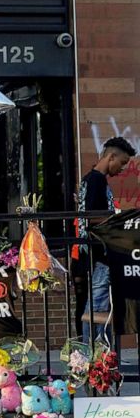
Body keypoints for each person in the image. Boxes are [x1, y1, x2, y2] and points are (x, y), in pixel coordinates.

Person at [77, 136, 136, 345]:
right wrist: (120, 219)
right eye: (122, 163)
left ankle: (95, 353)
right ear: (111, 156)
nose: (122, 170)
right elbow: (91, 216)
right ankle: (91, 355)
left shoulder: (90, 179)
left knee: (98, 305)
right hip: (100, 252)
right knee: (97, 306)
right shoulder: (96, 180)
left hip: (93, 251)